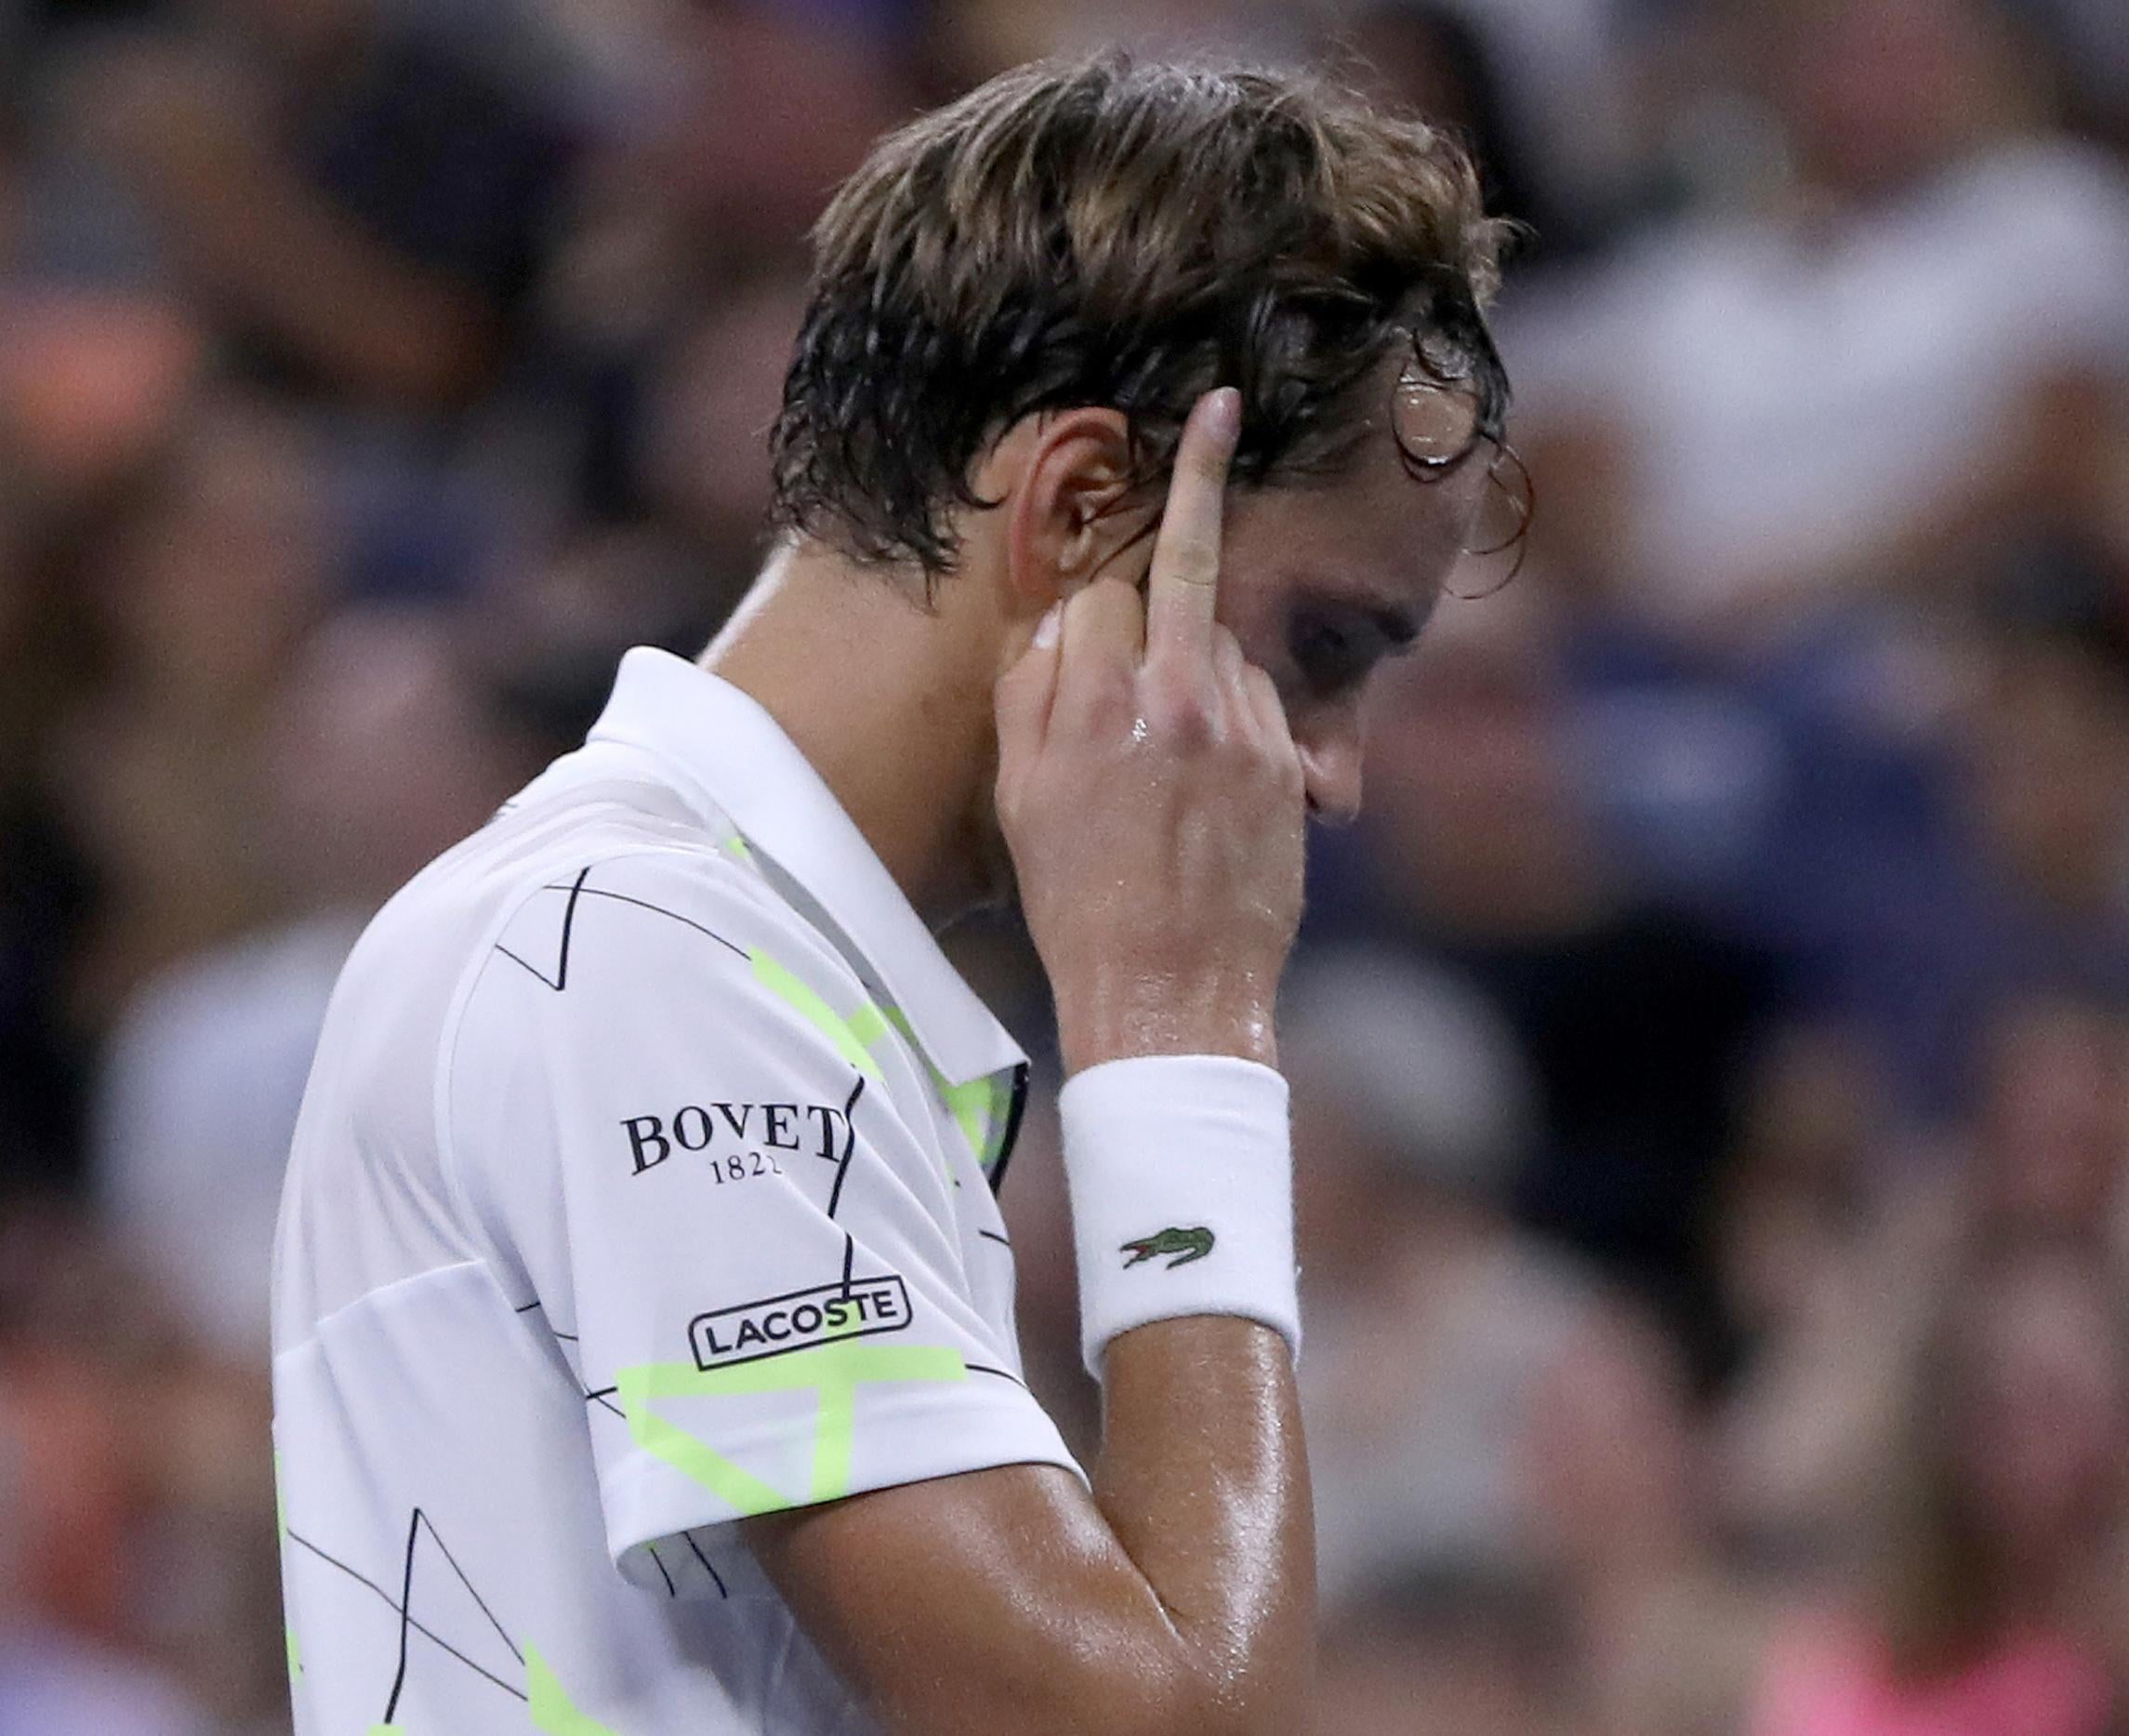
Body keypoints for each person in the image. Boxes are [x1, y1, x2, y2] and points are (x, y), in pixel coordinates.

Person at [271, 56, 1512, 1736]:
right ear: (1079, 507)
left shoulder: (699, 949)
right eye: (1326, 646)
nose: (1333, 769)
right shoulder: (642, 957)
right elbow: (1166, 1725)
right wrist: (1179, 1020)